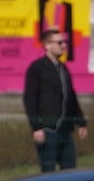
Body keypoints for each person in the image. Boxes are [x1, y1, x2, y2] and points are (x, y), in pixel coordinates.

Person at [23, 29, 88, 172]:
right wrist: (36, 127)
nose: (63, 45)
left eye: (64, 42)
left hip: (65, 129)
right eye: (59, 42)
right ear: (47, 45)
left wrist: (81, 122)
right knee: (49, 172)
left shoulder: (63, 68)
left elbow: (71, 96)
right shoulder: (37, 68)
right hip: (48, 129)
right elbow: (30, 99)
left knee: (69, 171)